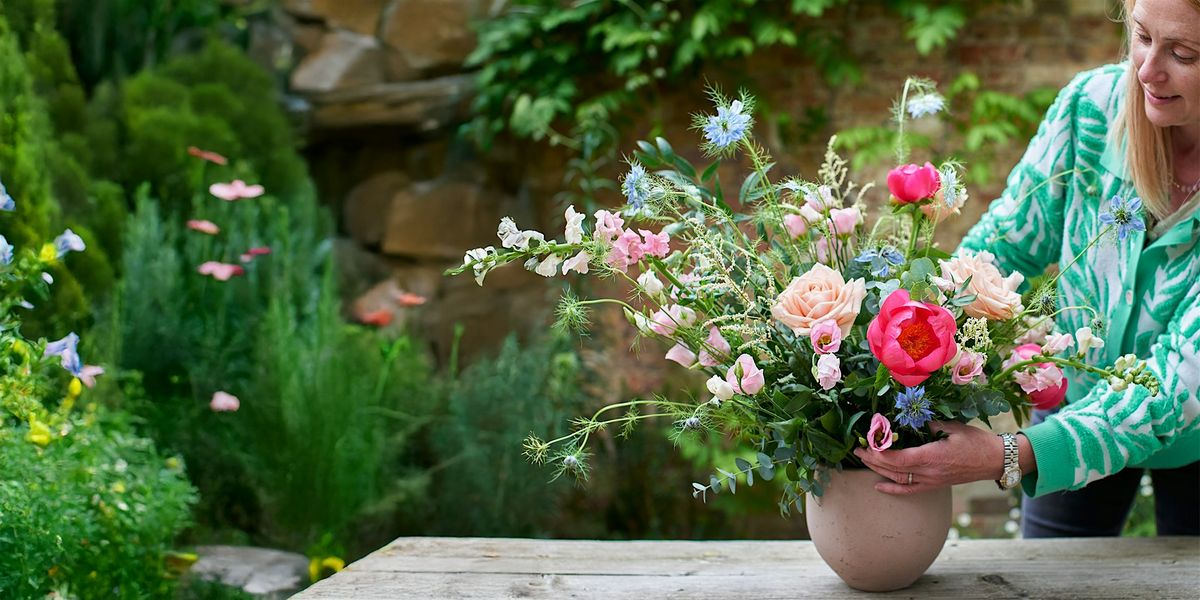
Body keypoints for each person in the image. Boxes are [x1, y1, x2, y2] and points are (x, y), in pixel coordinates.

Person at [855, 0, 1200, 537]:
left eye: (1182, 53)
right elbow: (1001, 250)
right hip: (1074, 403)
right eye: (1141, 36)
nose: (1147, 70)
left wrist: (1007, 455)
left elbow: (1172, 390)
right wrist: (900, 335)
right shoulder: (1091, 110)